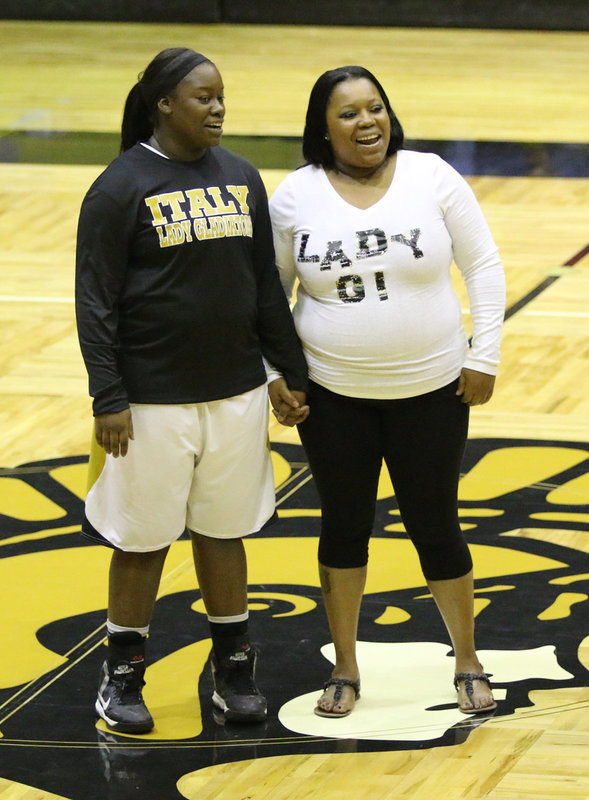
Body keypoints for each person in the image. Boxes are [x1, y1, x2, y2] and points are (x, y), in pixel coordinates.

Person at [75, 47, 308, 734]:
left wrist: (285, 373)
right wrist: (107, 396)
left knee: (223, 531)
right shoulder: (119, 187)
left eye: (221, 95)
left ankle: (233, 669)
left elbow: (264, 287)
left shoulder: (239, 177)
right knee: (143, 542)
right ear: (163, 104)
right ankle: (121, 676)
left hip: (233, 394)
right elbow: (95, 303)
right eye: (203, 96)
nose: (217, 107)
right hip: (149, 402)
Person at [269, 66, 505, 718]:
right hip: (332, 395)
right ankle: (344, 667)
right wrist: (273, 375)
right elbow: (267, 293)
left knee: (436, 523)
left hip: (432, 389)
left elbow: (481, 264)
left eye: (374, 108)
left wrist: (482, 353)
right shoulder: (295, 195)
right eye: (348, 113)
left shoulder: (431, 175)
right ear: (323, 127)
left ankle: (467, 660)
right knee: (344, 525)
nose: (366, 122)